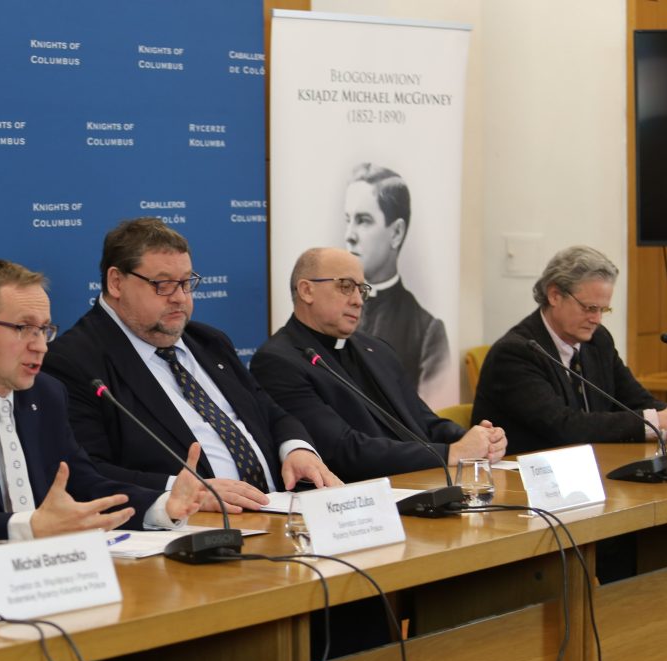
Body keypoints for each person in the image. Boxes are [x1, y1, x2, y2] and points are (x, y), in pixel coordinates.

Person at [0, 258, 206, 559]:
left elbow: (84, 484)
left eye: (44, 330)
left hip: (50, 573)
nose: (40, 346)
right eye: (23, 328)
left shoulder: (46, 394)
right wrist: (31, 528)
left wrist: (162, 505)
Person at [44, 217, 339, 515]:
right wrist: (184, 492)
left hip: (279, 510)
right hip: (193, 525)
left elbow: (270, 413)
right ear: (116, 282)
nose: (179, 298)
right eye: (163, 285)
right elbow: (87, 473)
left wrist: (296, 449)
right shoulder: (74, 361)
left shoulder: (210, 342)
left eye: (186, 283)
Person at [252, 247, 506, 483]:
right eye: (346, 286)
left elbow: (424, 421)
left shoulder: (375, 348)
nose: (358, 301)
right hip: (363, 493)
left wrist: (476, 439)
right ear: (307, 290)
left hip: (423, 480)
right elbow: (341, 451)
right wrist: (452, 453)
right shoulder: (278, 361)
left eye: (361, 290)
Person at [473, 245, 667, 455]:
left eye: (604, 310)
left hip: (593, 467)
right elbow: (564, 426)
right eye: (589, 308)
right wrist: (658, 421)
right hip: (526, 477)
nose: (597, 319)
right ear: (555, 295)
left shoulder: (598, 340)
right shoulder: (515, 353)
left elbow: (636, 400)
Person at [345, 163, 449, 394]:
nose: (349, 235)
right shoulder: (328, 313)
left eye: (363, 220)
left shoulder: (426, 332)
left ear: (396, 233)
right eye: (347, 219)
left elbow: (431, 411)